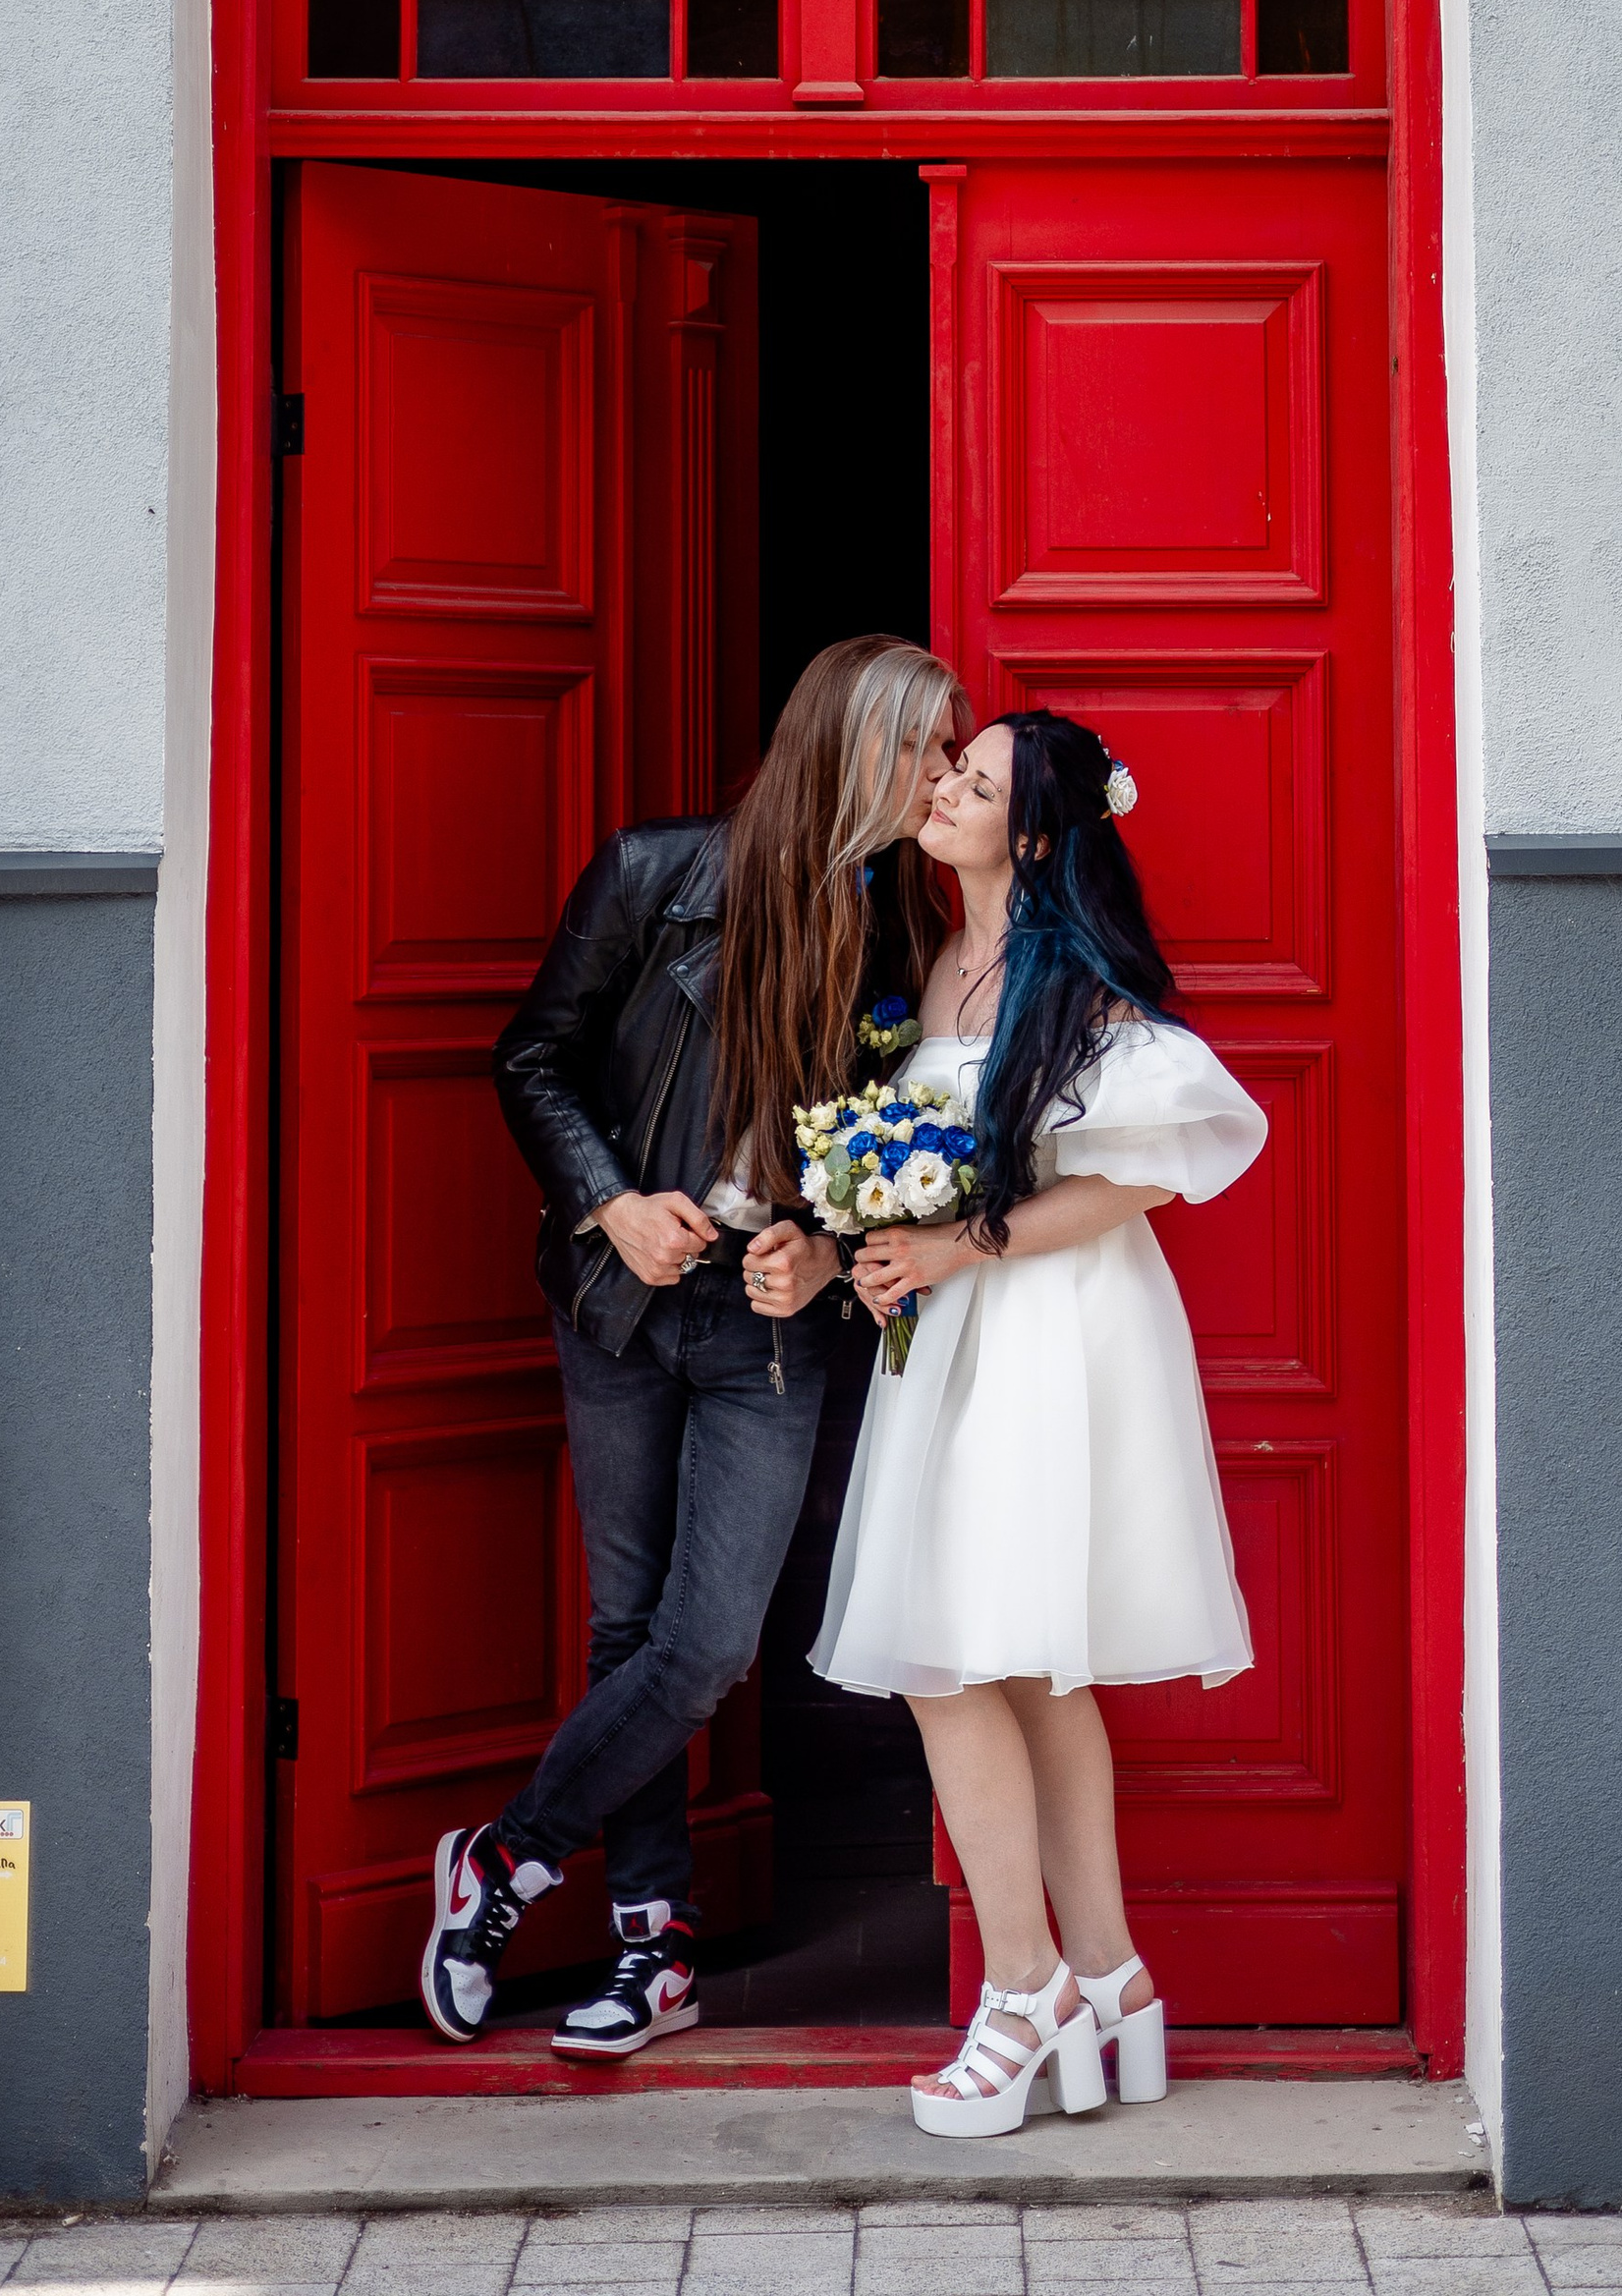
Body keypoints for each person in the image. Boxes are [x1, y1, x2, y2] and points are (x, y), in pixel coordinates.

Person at [419, 632, 967, 2058]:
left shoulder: (905, 935)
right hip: (617, 1300)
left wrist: (824, 1251)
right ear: (851, 749)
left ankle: (507, 1859)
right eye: (924, 746)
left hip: (762, 1328)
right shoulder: (656, 875)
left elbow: (890, 1158)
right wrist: (607, 1200)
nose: (945, 772)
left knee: (708, 1638)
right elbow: (531, 1051)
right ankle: (651, 1944)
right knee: (627, 1626)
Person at [811, 709, 1266, 2137]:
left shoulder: (1070, 976)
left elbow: (1152, 1170)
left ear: (1039, 833)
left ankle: (1025, 1992)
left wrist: (961, 1246)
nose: (941, 786)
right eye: (951, 769)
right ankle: (1117, 1982)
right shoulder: (929, 956)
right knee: (1030, 1669)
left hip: (1045, 1339)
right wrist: (871, 1244)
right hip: (952, 1334)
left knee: (948, 1654)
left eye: (976, 780)